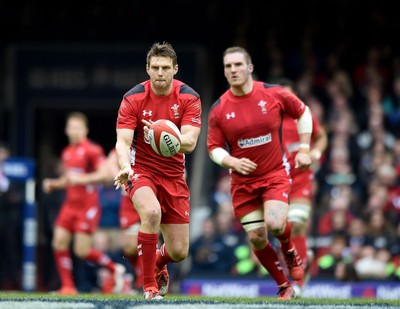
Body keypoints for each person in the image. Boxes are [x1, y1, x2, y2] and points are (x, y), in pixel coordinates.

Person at [207, 46, 313, 300]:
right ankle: (283, 286)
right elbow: (213, 148)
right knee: (256, 238)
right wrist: (232, 161)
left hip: (274, 173)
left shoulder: (273, 94)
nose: (233, 70)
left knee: (276, 224)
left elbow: (303, 112)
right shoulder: (219, 108)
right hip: (243, 184)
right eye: (228, 66)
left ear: (250, 67)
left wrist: (305, 148)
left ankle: (288, 249)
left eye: (238, 65)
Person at [113, 42, 202, 300]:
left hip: (174, 175)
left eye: (165, 68)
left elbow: (191, 142)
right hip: (141, 170)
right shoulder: (133, 98)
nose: (160, 73)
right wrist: (124, 166)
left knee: (178, 252)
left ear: (175, 69)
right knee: (151, 213)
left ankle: (159, 262)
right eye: (155, 68)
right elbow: (123, 141)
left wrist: (167, 133)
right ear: (147, 69)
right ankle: (150, 288)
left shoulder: (189, 96)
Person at [42, 112, 126, 295]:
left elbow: (106, 175)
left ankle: (114, 268)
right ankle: (68, 287)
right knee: (58, 242)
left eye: (78, 128)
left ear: (85, 130)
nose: (74, 131)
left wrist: (82, 179)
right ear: (66, 130)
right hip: (69, 205)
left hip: (87, 206)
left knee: (81, 251)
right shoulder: (67, 152)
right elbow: (69, 179)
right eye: (71, 127)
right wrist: (54, 184)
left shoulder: (92, 150)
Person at [279, 78, 328, 296]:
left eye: (289, 96)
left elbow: (322, 137)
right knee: (282, 230)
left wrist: (314, 152)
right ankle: (301, 259)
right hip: (276, 180)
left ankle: (298, 278)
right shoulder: (268, 121)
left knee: (296, 222)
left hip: (300, 179)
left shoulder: (303, 117)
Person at [69, 148, 143, 292]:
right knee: (84, 247)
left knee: (132, 246)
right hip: (101, 228)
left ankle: (136, 279)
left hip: (119, 229)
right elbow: (108, 170)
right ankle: (92, 284)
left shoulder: (122, 189)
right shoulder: (99, 187)